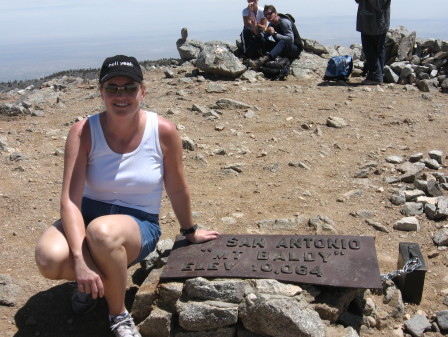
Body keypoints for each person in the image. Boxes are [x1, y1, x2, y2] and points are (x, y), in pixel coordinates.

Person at [34, 55, 219, 337]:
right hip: (86, 216)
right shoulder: (83, 131)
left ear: (143, 91)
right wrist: (81, 261)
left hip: (137, 223)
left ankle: (117, 313)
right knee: (49, 258)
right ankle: (94, 280)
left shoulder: (163, 132)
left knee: (102, 232)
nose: (121, 95)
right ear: (101, 93)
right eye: (112, 88)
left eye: (129, 87)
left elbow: (177, 187)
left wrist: (190, 230)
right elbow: (70, 200)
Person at [248, 5, 303, 71]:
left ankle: (264, 60)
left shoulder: (284, 22)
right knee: (261, 40)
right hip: (281, 47)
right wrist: (254, 28)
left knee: (283, 41)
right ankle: (247, 56)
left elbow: (290, 39)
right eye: (266, 15)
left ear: (275, 13)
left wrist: (275, 34)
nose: (268, 16)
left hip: (294, 49)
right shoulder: (271, 24)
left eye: (270, 14)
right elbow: (263, 36)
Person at [355, 0, 391, 85]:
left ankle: (376, 76)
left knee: (372, 50)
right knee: (373, 49)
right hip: (369, 22)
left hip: (376, 23)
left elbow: (378, 4)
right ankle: (376, 75)